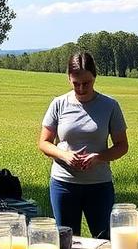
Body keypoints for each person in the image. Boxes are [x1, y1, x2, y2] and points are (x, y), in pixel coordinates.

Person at [39, 51, 128, 238]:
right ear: (68, 79)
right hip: (64, 183)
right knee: (66, 241)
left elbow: (122, 146)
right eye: (75, 83)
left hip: (99, 185)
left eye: (86, 83)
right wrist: (65, 155)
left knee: (104, 240)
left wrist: (99, 157)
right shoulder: (58, 104)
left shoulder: (110, 105)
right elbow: (44, 143)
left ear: (95, 77)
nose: (81, 88)